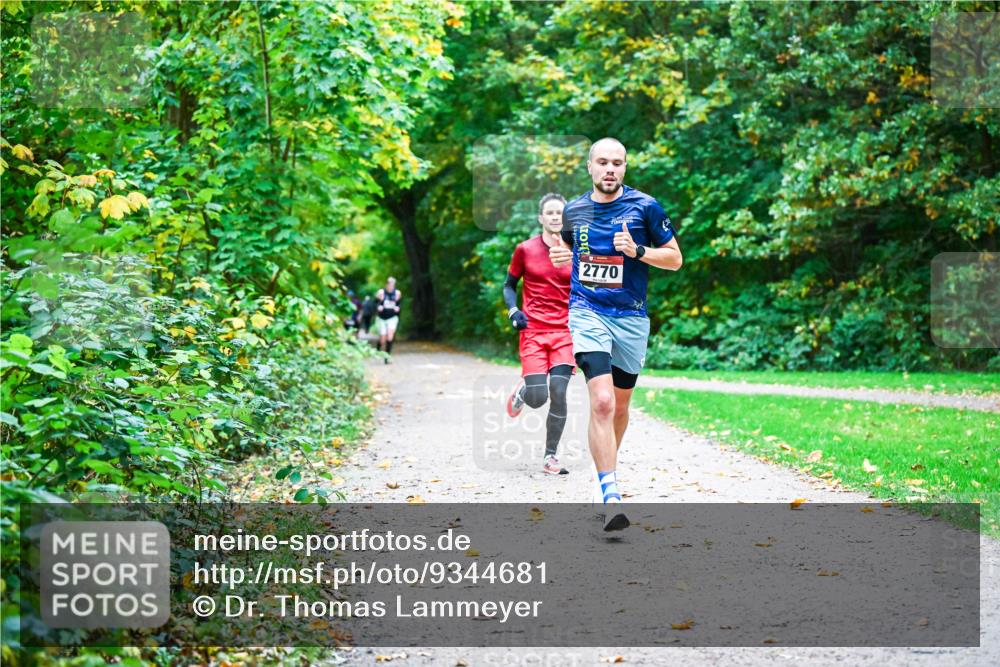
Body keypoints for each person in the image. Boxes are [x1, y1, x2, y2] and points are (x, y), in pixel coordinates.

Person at [549, 137, 683, 531]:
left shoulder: (645, 207)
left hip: (631, 319)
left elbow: (675, 259)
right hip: (587, 312)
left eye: (618, 163)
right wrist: (563, 258)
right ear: (589, 166)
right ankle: (611, 494)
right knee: (603, 402)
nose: (610, 169)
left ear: (625, 168)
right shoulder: (573, 212)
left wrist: (638, 251)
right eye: (603, 162)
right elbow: (573, 255)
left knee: (620, 407)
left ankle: (601, 471)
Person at [504, 193, 574, 476]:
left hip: (565, 333)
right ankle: (523, 391)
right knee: (538, 398)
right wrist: (513, 311)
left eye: (560, 213)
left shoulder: (577, 251)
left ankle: (550, 456)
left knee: (559, 392)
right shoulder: (525, 249)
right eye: (551, 213)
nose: (556, 217)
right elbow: (509, 285)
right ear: (541, 218)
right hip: (533, 331)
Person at [375, 277, 402, 363]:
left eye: (392, 284)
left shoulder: (397, 293)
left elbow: (399, 304)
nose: (391, 286)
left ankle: (387, 357)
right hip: (382, 318)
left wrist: (398, 308)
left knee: (390, 336)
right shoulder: (381, 292)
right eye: (389, 284)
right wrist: (378, 306)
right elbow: (375, 302)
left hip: (392, 318)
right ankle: (378, 350)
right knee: (382, 338)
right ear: (386, 284)